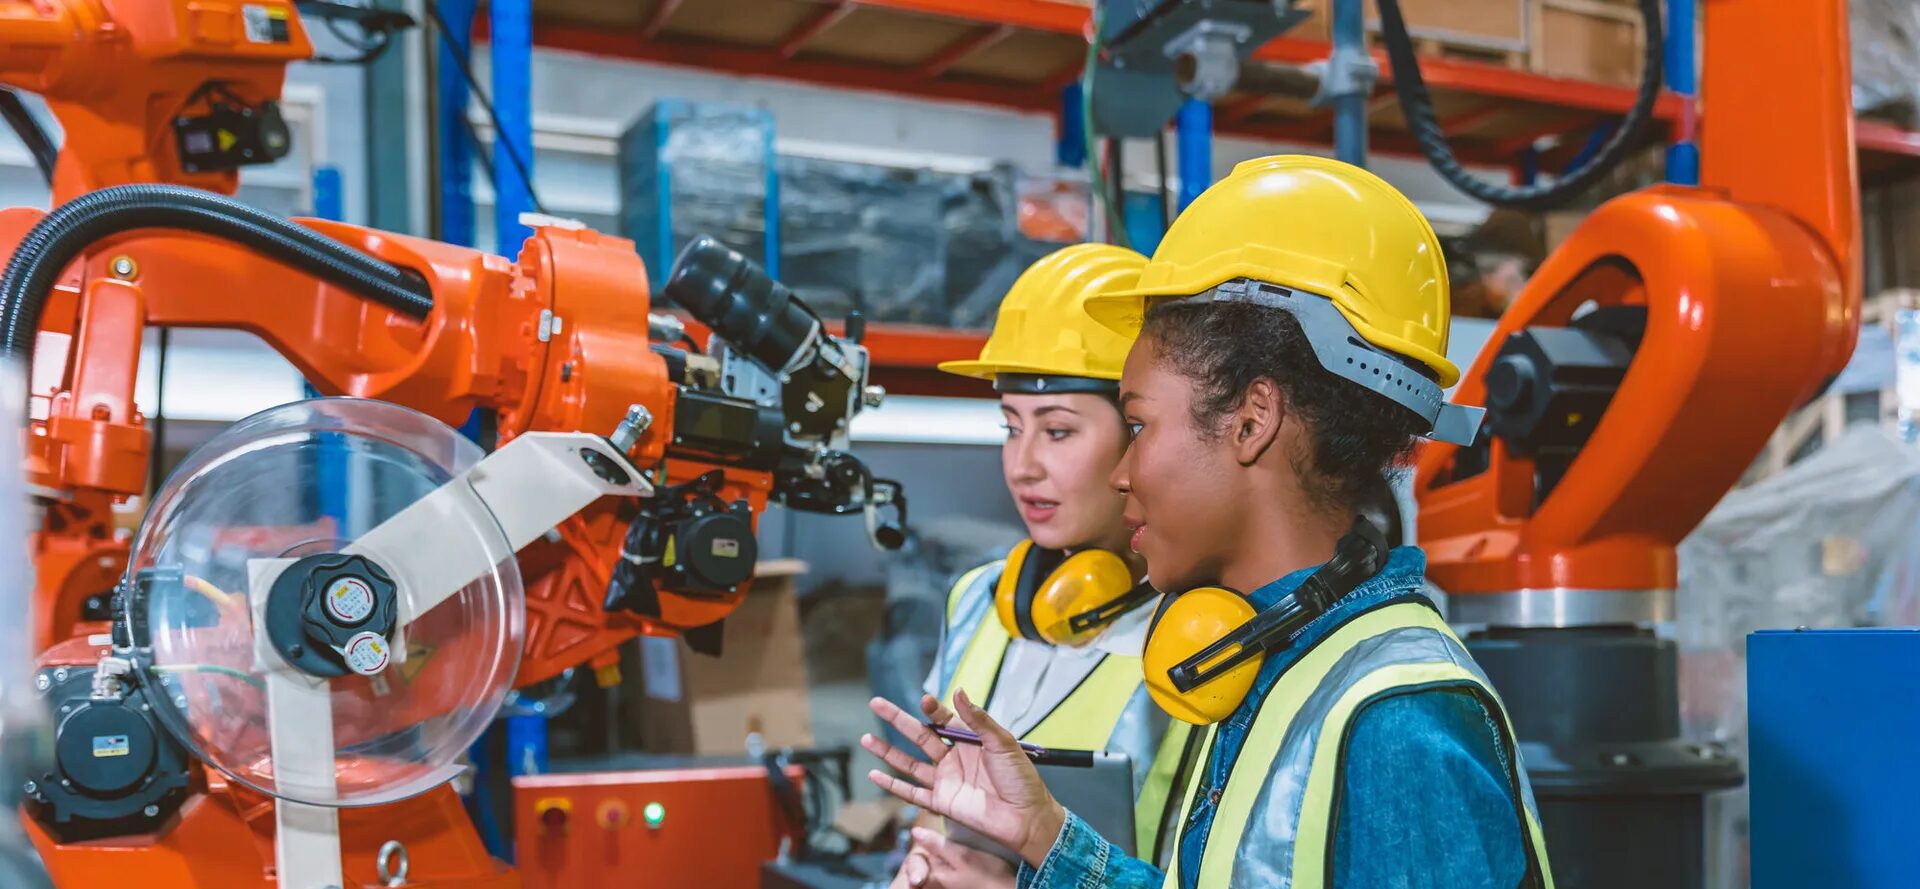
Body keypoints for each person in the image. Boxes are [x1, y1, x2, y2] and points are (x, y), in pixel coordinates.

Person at [862, 156, 1553, 888]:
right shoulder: (1269, 661)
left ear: (1252, 421)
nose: (1122, 472)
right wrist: (1043, 839)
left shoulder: (1396, 723)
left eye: (1137, 424)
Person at [890, 243, 1194, 888]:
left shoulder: (1202, 634)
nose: (1021, 464)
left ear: (1141, 437)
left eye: (1056, 431)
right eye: (1010, 427)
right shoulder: (980, 597)